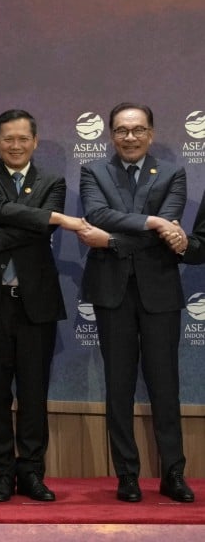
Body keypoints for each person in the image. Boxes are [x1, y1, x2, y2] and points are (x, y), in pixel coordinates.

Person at [0, 109, 84, 503]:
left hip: (36, 300)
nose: (15, 145)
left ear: (35, 141)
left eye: (23, 138)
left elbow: (38, 229)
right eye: (7, 139)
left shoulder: (53, 181)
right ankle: (0, 474)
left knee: (33, 392)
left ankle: (31, 472)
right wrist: (48, 218)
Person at [77, 102, 194, 503]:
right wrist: (155, 221)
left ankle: (173, 473)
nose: (130, 137)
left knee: (166, 387)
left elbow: (155, 226)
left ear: (151, 134)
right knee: (119, 387)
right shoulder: (93, 171)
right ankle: (127, 476)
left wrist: (110, 239)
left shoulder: (174, 173)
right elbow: (96, 212)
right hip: (112, 292)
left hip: (159, 291)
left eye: (138, 129)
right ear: (111, 135)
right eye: (122, 130)